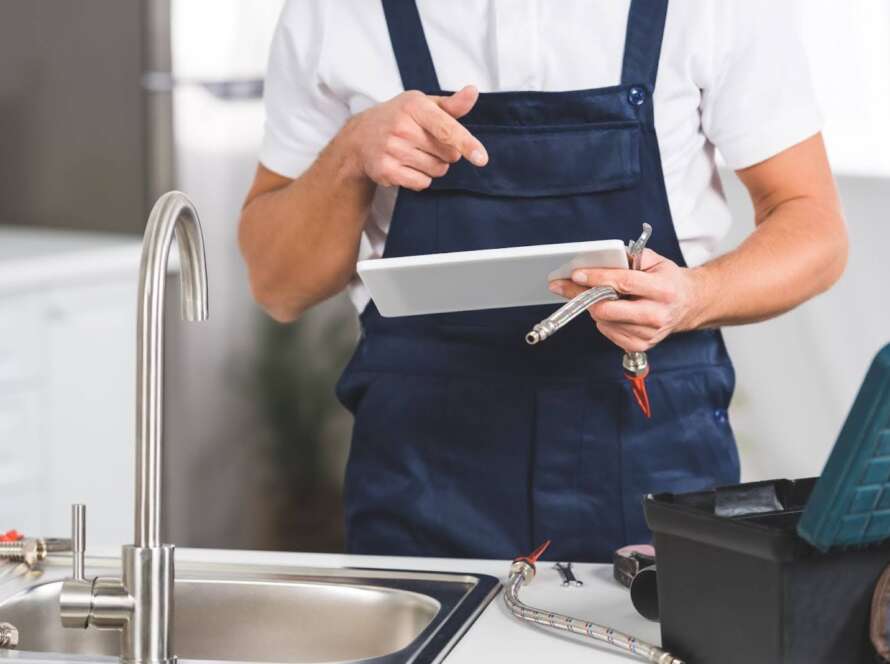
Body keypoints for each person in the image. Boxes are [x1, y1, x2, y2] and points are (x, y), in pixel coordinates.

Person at [238, 0, 847, 561]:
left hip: (651, 457)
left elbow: (814, 230)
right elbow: (279, 285)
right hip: (421, 474)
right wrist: (352, 155)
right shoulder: (338, 12)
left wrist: (694, 297)